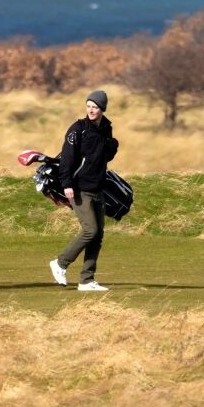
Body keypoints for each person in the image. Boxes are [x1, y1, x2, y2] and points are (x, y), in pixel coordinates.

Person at [50, 89, 118, 292]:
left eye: (95, 107)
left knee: (98, 235)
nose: (91, 110)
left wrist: (113, 145)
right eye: (88, 106)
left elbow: (104, 157)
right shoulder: (77, 129)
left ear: (102, 109)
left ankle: (87, 280)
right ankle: (60, 263)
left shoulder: (106, 128)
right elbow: (67, 158)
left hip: (98, 187)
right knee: (90, 230)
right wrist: (66, 184)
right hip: (79, 188)